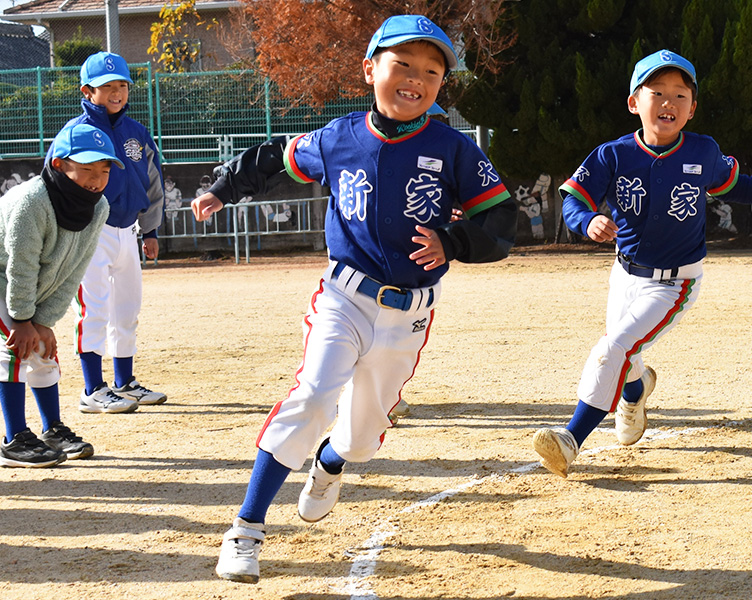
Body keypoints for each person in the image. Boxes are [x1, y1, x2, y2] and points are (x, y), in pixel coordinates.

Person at [193, 14, 517, 584]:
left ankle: (331, 463)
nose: (415, 78)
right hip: (343, 297)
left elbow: (500, 217)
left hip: (408, 316)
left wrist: (453, 240)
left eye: (431, 71)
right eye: (402, 65)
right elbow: (274, 158)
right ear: (370, 69)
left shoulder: (453, 148)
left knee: (363, 437)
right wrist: (224, 186)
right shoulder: (337, 138)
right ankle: (245, 530)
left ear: (442, 84)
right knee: (314, 395)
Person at [531, 49, 752, 478]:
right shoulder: (613, 155)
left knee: (613, 349)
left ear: (692, 109)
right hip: (625, 275)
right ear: (633, 103)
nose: (668, 102)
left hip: (676, 283)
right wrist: (587, 220)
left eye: (680, 95)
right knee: (623, 350)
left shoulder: (703, 151)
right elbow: (574, 198)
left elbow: (734, 183)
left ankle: (570, 440)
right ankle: (636, 391)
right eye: (656, 92)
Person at [0, 124, 122, 467]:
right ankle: (13, 441)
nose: (96, 179)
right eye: (86, 168)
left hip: (21, 279)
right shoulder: (33, 201)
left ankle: (52, 430)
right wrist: (25, 320)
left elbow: (74, 269)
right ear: (59, 164)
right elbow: (21, 266)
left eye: (104, 170)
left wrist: (43, 322)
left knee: (42, 345)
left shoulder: (97, 207)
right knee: (16, 343)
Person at [49, 51, 167, 414]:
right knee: (94, 308)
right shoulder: (76, 133)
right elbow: (51, 182)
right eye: (106, 87)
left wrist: (150, 230)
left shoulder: (136, 132)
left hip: (128, 229)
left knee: (127, 308)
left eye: (122, 85)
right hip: (89, 231)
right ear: (87, 91)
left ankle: (124, 382)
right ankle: (92, 388)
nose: (116, 92)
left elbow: (152, 182)